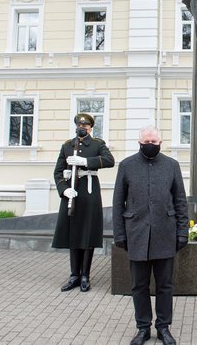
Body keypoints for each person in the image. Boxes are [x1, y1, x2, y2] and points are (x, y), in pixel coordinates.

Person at [112, 126, 188, 345]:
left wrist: (182, 232)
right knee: (139, 286)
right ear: (139, 142)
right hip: (136, 234)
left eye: (154, 142)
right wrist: (120, 234)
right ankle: (143, 328)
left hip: (165, 233)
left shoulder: (171, 165)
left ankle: (163, 327)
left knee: (165, 285)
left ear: (161, 143)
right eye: (147, 141)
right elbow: (118, 202)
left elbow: (180, 201)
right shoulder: (127, 166)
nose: (151, 145)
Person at [52, 113, 114, 292]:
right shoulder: (67, 146)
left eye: (86, 126)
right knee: (73, 234)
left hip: (89, 192)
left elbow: (109, 160)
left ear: (90, 128)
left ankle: (85, 275)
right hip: (71, 193)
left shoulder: (97, 144)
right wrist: (64, 189)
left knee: (87, 234)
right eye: (80, 125)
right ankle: (74, 275)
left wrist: (85, 161)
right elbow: (58, 172)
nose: (82, 128)